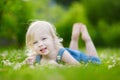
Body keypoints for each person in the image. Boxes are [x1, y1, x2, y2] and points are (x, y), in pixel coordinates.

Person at [24, 20, 101, 65]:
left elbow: (77, 66)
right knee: (73, 53)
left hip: (79, 58)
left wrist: (59, 67)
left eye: (43, 39)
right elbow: (27, 63)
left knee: (95, 60)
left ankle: (87, 39)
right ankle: (74, 38)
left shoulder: (61, 53)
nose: (40, 44)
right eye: (35, 42)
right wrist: (27, 62)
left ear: (53, 38)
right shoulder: (38, 56)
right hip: (72, 54)